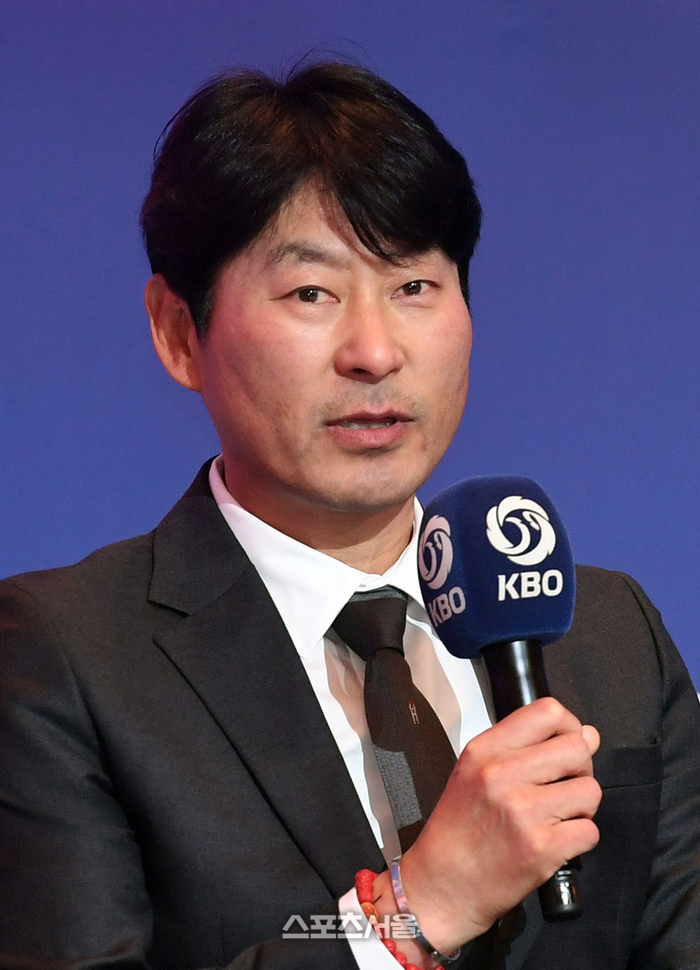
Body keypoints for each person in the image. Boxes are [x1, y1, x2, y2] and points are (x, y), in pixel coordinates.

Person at [0, 61, 698, 970]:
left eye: (414, 287)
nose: (375, 351)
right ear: (178, 331)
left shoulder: (609, 633)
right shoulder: (66, 658)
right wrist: (416, 912)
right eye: (311, 294)